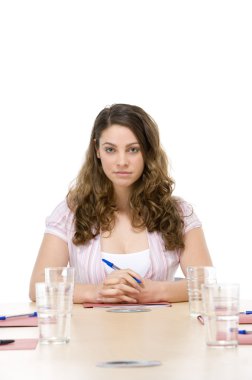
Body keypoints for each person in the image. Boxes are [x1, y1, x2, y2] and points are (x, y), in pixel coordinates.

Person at [29, 103, 212, 304]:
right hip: (91, 334)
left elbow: (206, 284)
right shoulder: (70, 213)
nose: (122, 161)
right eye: (110, 150)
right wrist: (95, 292)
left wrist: (156, 291)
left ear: (148, 152)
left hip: (160, 333)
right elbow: (37, 288)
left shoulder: (179, 213)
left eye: (133, 149)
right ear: (97, 150)